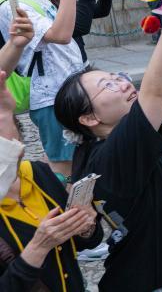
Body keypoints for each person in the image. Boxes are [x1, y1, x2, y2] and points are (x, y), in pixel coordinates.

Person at [53, 25, 162, 291]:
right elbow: (155, 92)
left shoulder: (141, 138)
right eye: (108, 85)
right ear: (89, 118)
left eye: (116, 76)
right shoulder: (107, 158)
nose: (123, 83)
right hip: (152, 281)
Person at [0, 70, 102, 292]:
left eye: (8, 134)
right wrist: (38, 247)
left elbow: (90, 241)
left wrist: (86, 226)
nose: (7, 144)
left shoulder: (39, 173)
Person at [0, 0, 91, 177]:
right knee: (66, 168)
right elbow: (61, 35)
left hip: (68, 89)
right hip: (52, 98)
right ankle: (64, 211)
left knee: (82, 160)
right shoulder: (10, 3)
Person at [34, 0, 112, 64]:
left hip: (79, 62)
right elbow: (79, 28)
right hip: (64, 67)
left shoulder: (59, 0)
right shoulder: (34, 8)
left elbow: (100, 11)